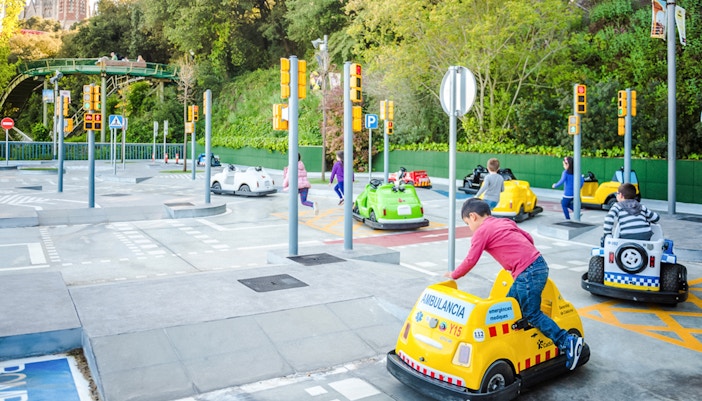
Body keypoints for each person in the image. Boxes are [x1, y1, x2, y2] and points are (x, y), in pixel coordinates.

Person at [443, 198, 584, 371]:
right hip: (538, 265)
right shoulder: (504, 221)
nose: (469, 227)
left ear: (473, 216)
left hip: (527, 272)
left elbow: (471, 259)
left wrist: (454, 275)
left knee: (532, 313)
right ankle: (519, 341)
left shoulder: (481, 231)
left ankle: (567, 341)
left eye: (467, 223)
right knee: (510, 306)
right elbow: (528, 238)